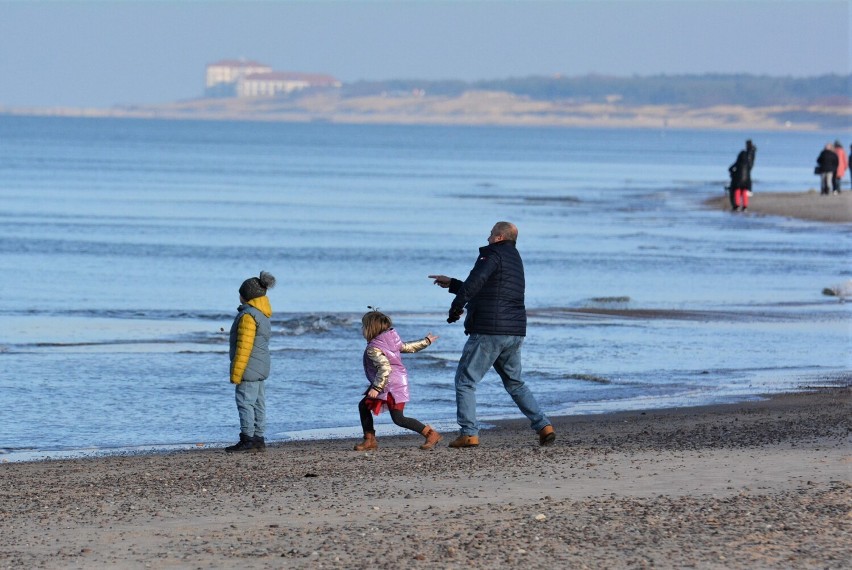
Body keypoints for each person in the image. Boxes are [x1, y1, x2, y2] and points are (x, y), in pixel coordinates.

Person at [428, 221, 555, 448]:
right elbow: (489, 289)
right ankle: (544, 426)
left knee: (465, 381)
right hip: (514, 331)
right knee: (515, 383)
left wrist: (456, 307)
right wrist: (454, 284)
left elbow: (477, 282)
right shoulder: (514, 259)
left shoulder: (492, 254)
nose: (487, 238)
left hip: (490, 330)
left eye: (490, 235)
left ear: (498, 237)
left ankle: (469, 433)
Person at [354, 309, 442, 451]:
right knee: (363, 406)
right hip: (395, 382)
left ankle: (431, 434)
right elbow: (407, 347)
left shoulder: (374, 348)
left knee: (398, 418)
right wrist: (425, 342)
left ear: (371, 329)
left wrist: (376, 388)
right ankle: (369, 440)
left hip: (389, 386)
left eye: (364, 327)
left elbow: (385, 368)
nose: (362, 330)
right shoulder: (390, 341)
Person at [225, 271, 276, 453]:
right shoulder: (263, 315)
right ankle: (258, 438)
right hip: (261, 366)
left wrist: (236, 373)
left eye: (240, 293)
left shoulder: (248, 316)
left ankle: (247, 438)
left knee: (245, 402)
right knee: (258, 402)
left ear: (246, 296)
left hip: (249, 367)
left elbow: (244, 347)